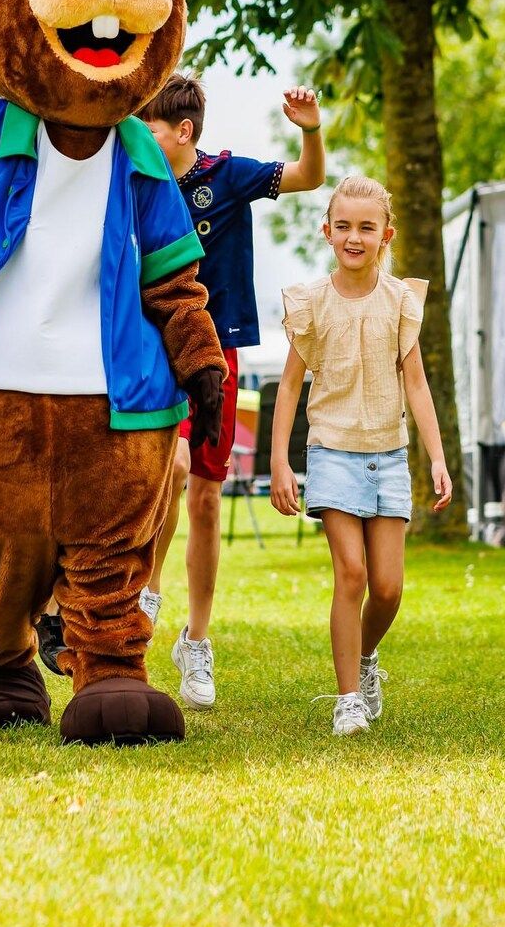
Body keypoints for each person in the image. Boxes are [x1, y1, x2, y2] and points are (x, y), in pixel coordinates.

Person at [121, 74, 325, 711]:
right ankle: (147, 593)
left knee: (206, 500)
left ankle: (196, 642)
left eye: (151, 128)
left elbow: (309, 177)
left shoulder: (228, 175)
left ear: (183, 132)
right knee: (172, 468)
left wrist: (311, 131)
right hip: (157, 345)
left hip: (220, 351)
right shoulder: (135, 181)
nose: (141, 138)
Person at [268, 176, 452, 736]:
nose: (354, 237)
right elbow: (290, 386)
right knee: (352, 574)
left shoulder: (399, 301)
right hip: (332, 453)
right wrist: (280, 460)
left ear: (385, 236)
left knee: (388, 588)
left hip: (388, 456)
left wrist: (437, 458)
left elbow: (416, 385)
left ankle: (365, 656)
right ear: (327, 232)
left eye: (366, 228)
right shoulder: (312, 303)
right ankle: (348, 698)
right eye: (343, 226)